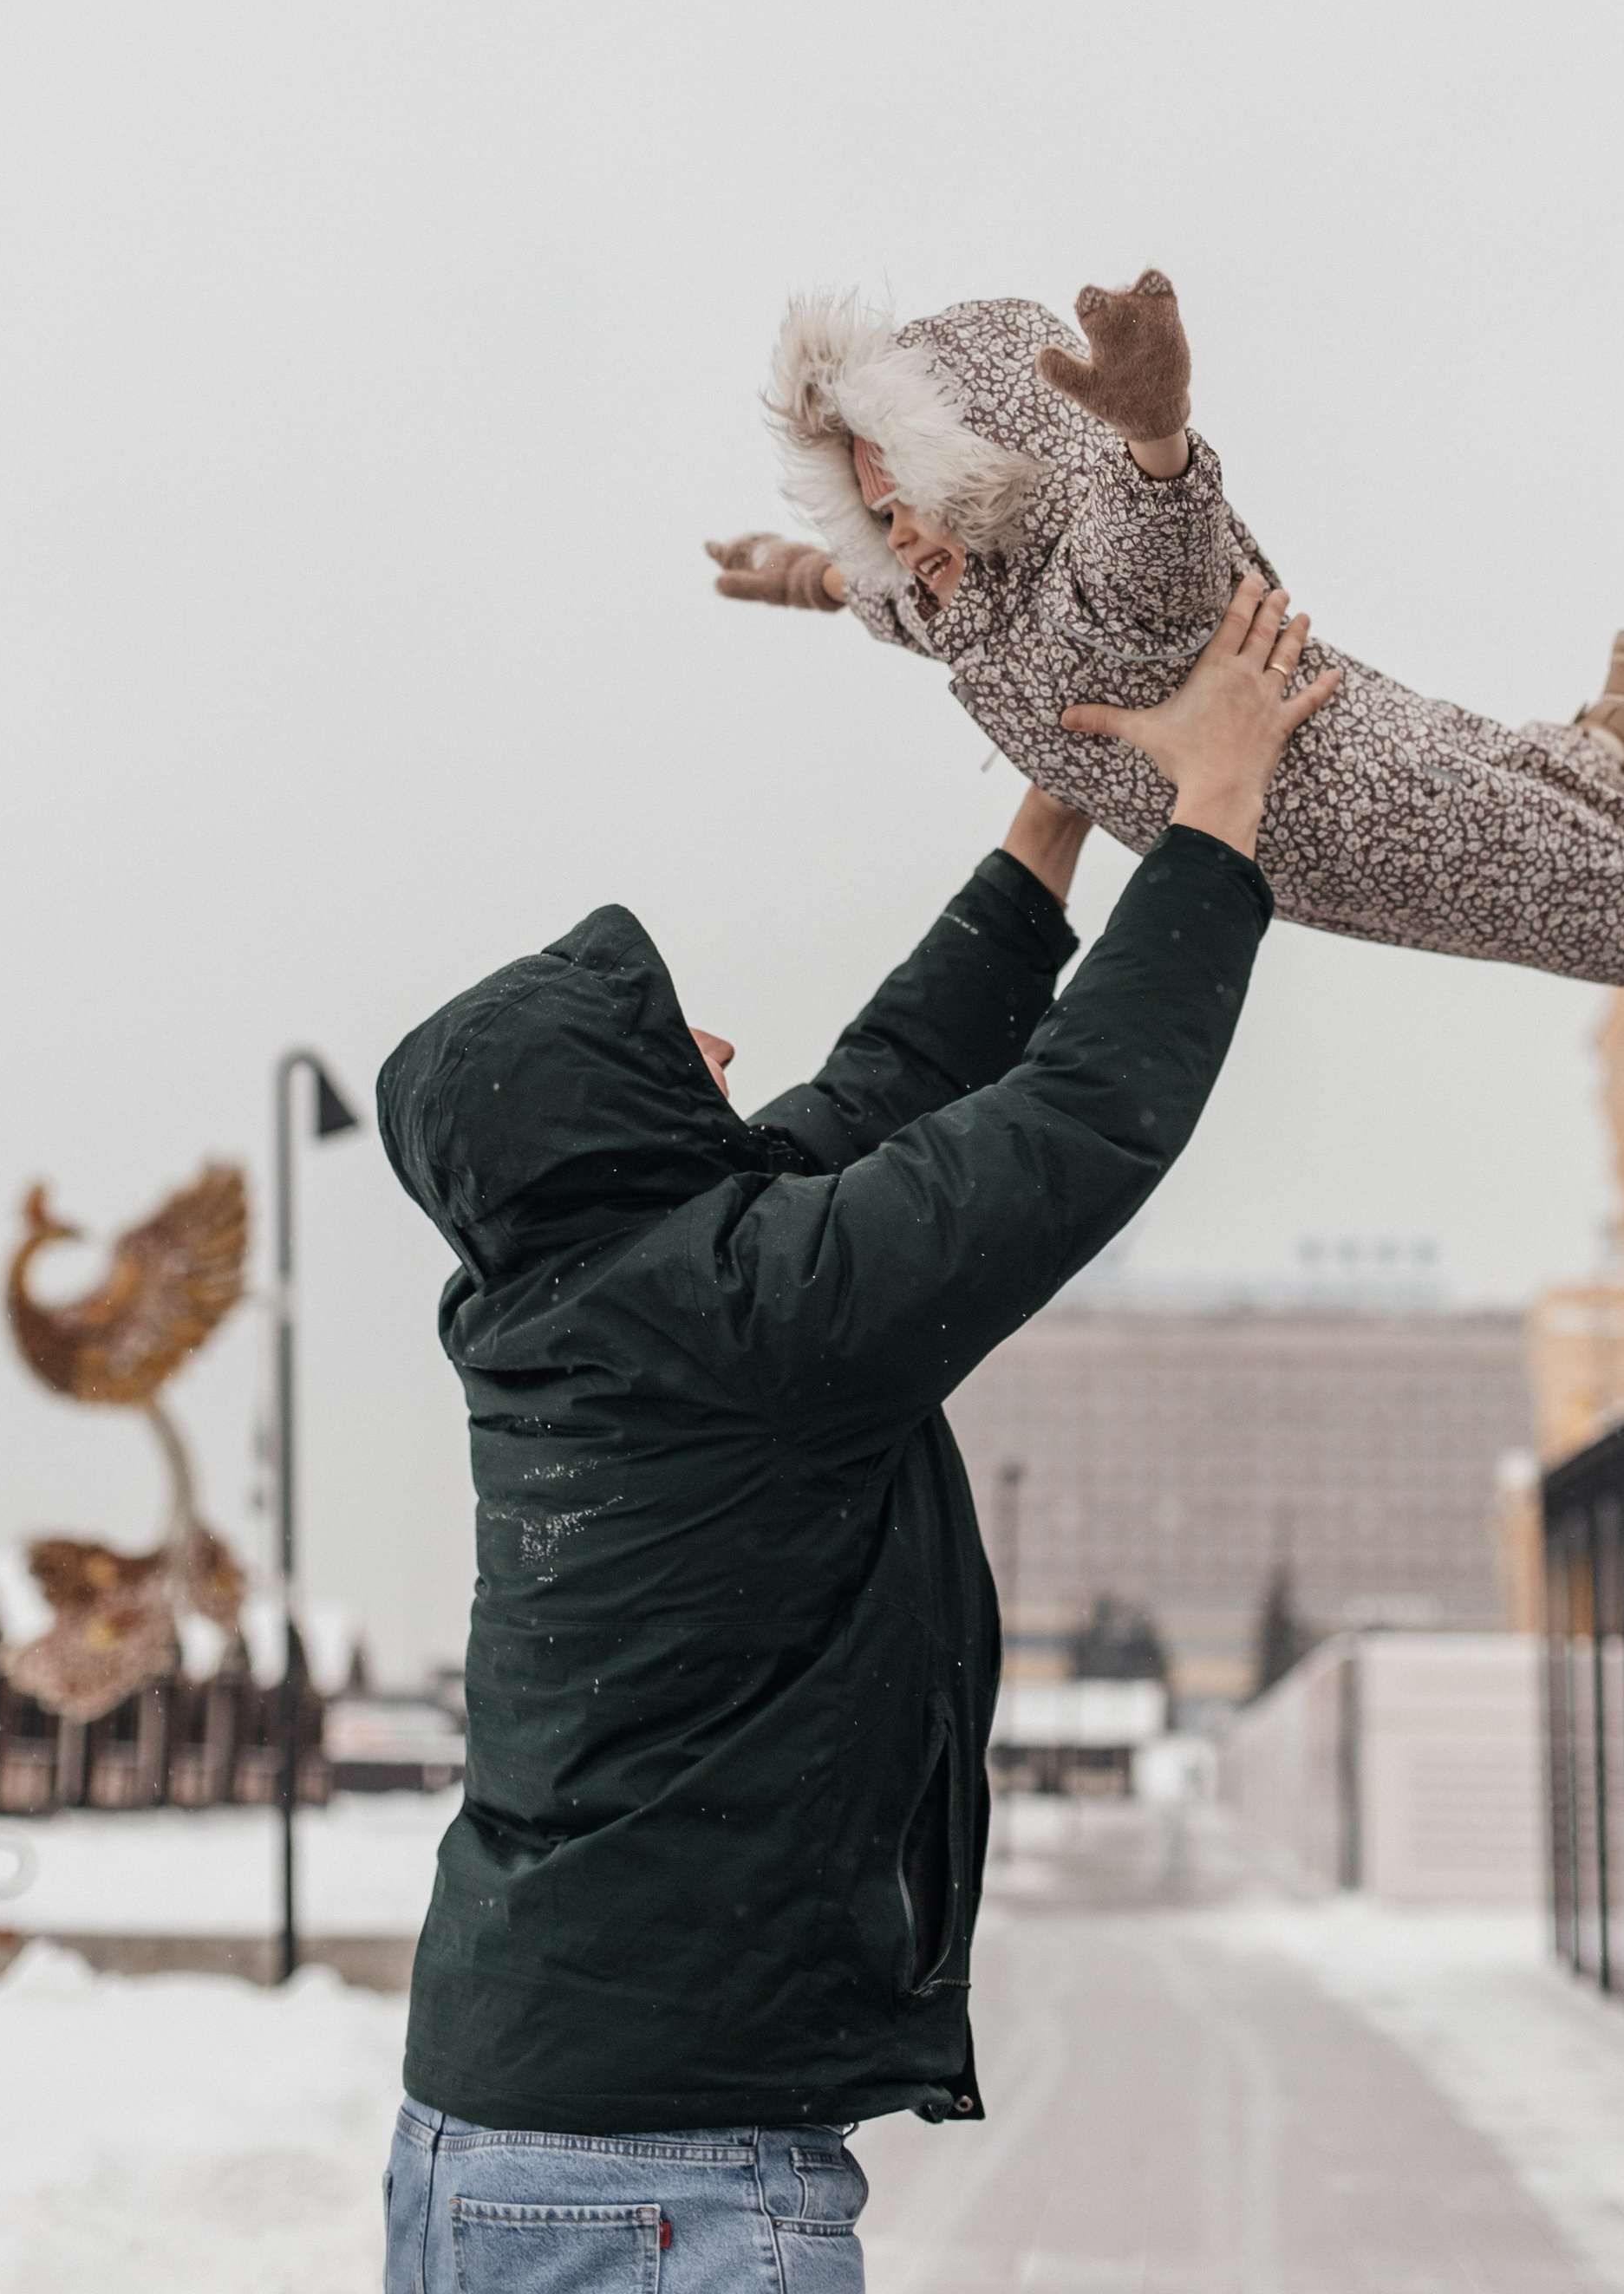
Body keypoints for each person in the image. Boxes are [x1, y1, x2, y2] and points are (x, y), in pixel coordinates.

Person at [376, 573, 1330, 2294]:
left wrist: (1063, 802)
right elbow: (1069, 1126)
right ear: (600, 1123)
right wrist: (1215, 821)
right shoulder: (746, 1320)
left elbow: (890, 1081)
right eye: (675, 1051)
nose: (726, 1049)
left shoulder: (609, 1305)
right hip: (655, 2180)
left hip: (494, 2137)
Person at [707, 273, 1624, 1014]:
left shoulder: (1089, 575)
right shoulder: (954, 602)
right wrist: (808, 575)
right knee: (1533, 807)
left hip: (1361, 804)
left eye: (910, 498)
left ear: (986, 461)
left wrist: (1155, 430)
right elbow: (888, 598)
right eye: (874, 512)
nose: (902, 537)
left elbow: (1155, 530)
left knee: (1602, 895)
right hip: (1320, 796)